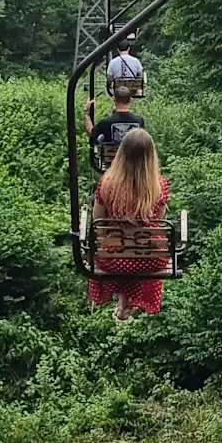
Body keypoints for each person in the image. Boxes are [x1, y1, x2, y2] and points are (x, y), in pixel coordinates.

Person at [88, 129, 169, 320]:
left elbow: (97, 221)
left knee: (118, 251)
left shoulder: (107, 183)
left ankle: (123, 302)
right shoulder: (158, 186)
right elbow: (158, 221)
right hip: (149, 259)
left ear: (121, 152)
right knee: (140, 253)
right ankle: (126, 304)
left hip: (113, 260)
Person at [84, 81, 144, 154]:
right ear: (130, 100)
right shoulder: (139, 121)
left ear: (114, 99)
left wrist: (86, 113)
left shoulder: (105, 122)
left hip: (112, 162)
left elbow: (91, 132)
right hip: (133, 162)